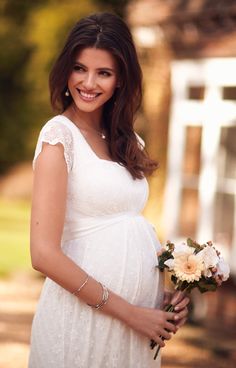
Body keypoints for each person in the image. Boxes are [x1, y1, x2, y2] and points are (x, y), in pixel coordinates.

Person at [29, 12, 189, 368]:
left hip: (134, 324)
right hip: (83, 321)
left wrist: (158, 301)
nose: (88, 83)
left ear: (121, 79)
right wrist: (130, 311)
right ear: (65, 71)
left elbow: (121, 231)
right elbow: (43, 254)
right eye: (79, 68)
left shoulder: (129, 141)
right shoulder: (59, 137)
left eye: (104, 72)